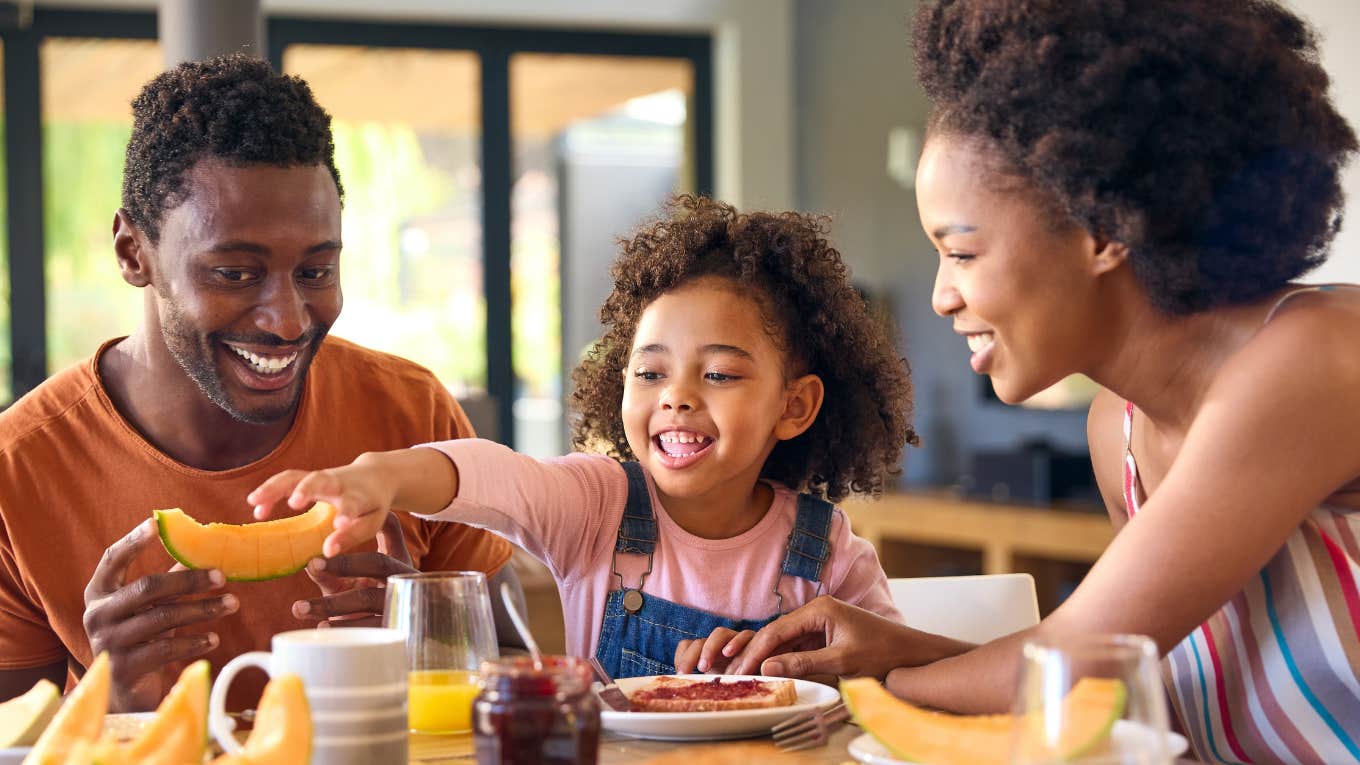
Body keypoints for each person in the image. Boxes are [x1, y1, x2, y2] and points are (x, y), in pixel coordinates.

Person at [724, 1, 1360, 760]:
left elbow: (1079, 662)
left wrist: (865, 681)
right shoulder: (1117, 431)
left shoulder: (1318, 358)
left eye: (961, 252)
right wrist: (894, 648)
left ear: (1102, 228)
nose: (940, 296)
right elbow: (1111, 667)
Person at [0, 54, 522, 713]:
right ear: (134, 253)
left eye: (315, 270)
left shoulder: (412, 414)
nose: (287, 320)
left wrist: (431, 642)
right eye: (235, 273)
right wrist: (116, 700)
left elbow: (527, 679)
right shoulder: (18, 470)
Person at [248, 195, 916, 678]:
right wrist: (383, 476)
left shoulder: (825, 549)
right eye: (650, 371)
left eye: (717, 373)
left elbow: (894, 678)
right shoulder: (598, 505)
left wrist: (825, 677)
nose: (676, 395)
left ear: (794, 406)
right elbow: (493, 475)